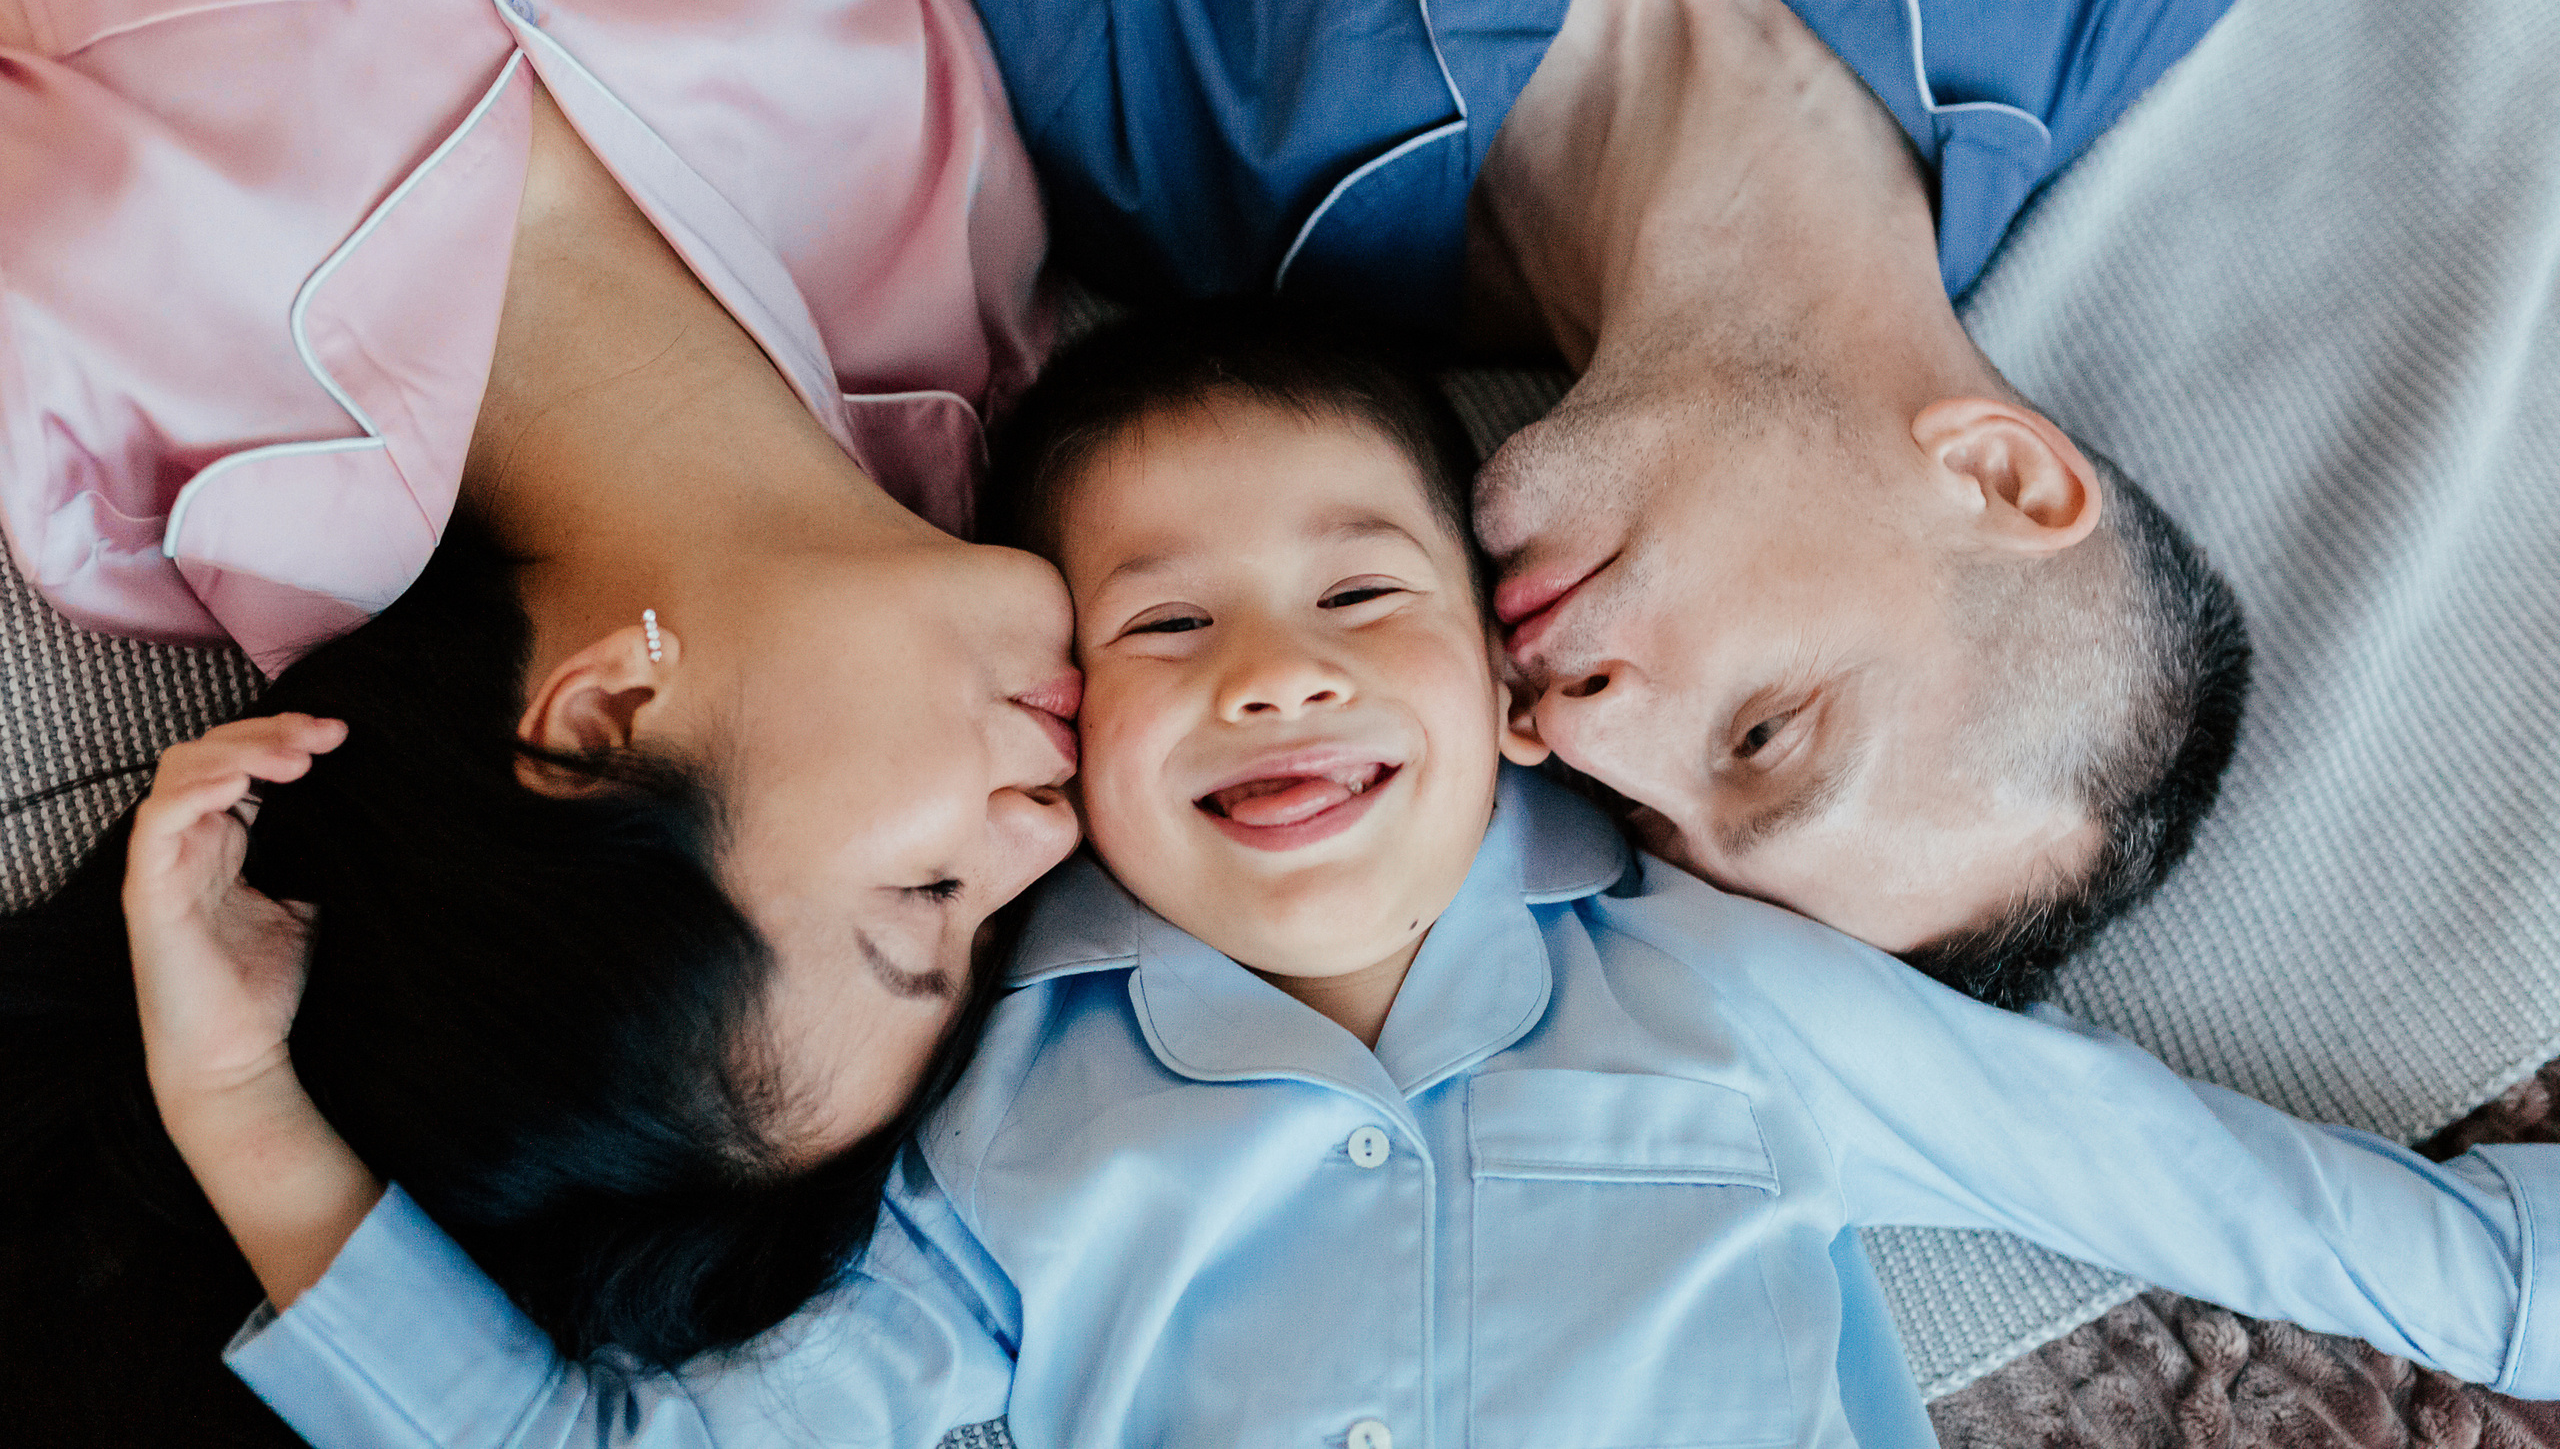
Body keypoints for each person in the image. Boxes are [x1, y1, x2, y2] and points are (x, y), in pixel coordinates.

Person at [189, 318, 2556, 1447]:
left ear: (1513, 687)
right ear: (1059, 725)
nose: (1270, 683)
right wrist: (239, 1108)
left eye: (1360, 601)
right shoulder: (995, 1135)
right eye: (1160, 628)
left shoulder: (1733, 1001)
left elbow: (2241, 1208)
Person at [852, 0, 2307, 1000]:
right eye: (1761, 733)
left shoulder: (1171, 163)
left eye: (1655, 824)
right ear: (1999, 473)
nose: (1570, 731)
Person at [0, 0, 1082, 1388]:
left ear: (605, 716)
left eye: (929, 901)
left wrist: (241, 1113)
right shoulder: (973, 283)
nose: (1047, 839)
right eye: (999, 933)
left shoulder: (94, 434)